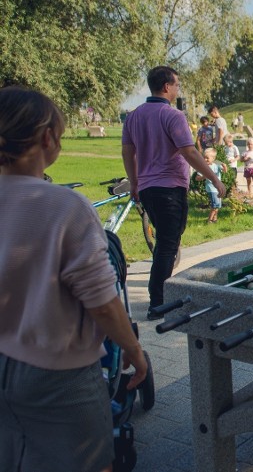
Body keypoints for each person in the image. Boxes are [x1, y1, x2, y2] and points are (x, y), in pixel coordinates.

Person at [0, 86, 148, 472]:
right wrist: (133, 349)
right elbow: (101, 299)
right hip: (58, 373)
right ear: (47, 137)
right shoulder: (64, 206)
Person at [123, 66, 225, 320]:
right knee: (168, 245)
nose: (178, 88)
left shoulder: (133, 116)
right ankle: (158, 302)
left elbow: (128, 152)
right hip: (168, 188)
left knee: (166, 242)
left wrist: (134, 182)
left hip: (147, 188)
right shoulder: (172, 115)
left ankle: (160, 296)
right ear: (166, 86)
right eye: (177, 84)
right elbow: (189, 152)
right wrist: (214, 177)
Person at [202, 148, 223, 223]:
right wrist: (203, 176)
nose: (205, 159)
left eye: (207, 158)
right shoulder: (204, 167)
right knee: (215, 205)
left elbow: (224, 170)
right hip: (211, 189)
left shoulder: (216, 165)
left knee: (218, 205)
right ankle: (209, 220)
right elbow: (197, 178)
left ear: (213, 158)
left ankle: (214, 219)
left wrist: (224, 166)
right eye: (204, 157)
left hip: (218, 188)